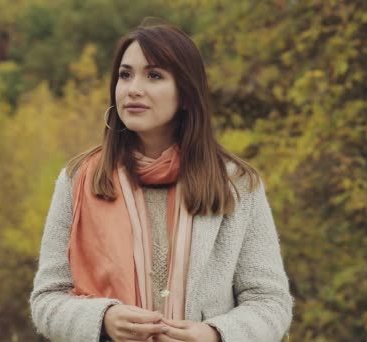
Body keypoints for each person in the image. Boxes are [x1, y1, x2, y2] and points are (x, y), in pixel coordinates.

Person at [29, 22, 292, 342]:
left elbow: (270, 302)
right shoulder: (78, 179)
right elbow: (47, 298)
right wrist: (103, 319)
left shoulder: (237, 185)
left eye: (154, 76)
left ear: (185, 92)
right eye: (125, 75)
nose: (133, 89)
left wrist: (215, 335)